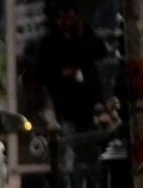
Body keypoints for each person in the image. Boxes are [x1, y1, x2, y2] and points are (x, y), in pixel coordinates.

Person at [36, 1, 108, 132]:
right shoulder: (49, 41)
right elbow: (42, 71)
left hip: (87, 94)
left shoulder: (83, 31)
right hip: (64, 96)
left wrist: (82, 36)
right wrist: (61, 73)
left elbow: (101, 52)